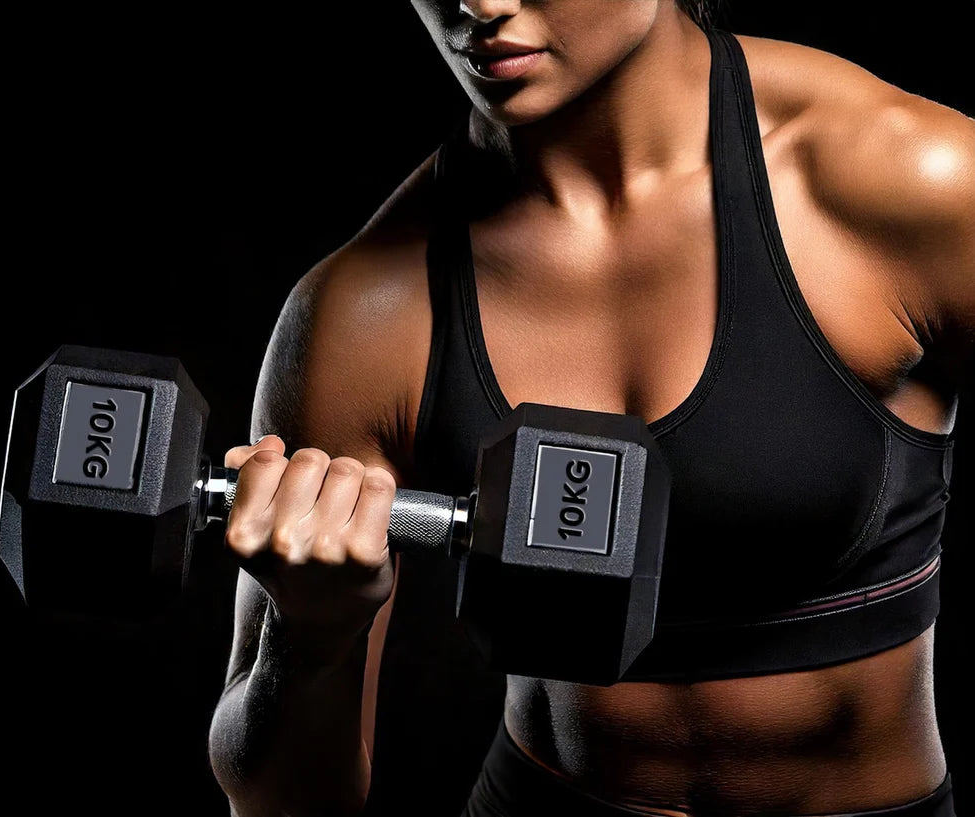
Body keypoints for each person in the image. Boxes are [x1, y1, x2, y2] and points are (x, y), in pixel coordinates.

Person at [207, 1, 973, 815]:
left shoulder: (909, 182)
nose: (480, 2)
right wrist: (308, 640)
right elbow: (277, 801)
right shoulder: (364, 312)